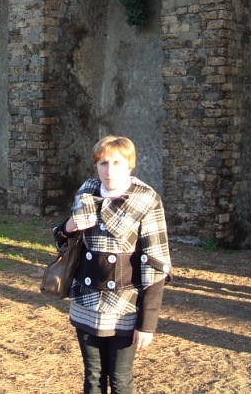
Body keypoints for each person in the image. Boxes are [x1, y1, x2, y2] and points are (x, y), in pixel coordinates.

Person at [54, 135, 172, 394]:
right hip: (86, 302)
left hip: (125, 306)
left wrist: (147, 324)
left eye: (117, 163)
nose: (109, 171)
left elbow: (156, 264)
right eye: (103, 163)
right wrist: (68, 227)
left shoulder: (147, 200)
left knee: (120, 379)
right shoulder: (86, 192)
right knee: (93, 376)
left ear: (130, 164)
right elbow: (65, 243)